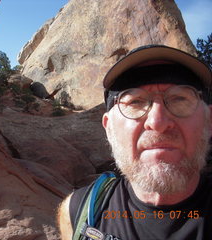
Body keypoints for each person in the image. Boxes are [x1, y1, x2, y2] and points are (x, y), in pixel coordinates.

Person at [57, 45, 212, 240]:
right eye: (135, 102)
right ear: (109, 128)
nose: (157, 123)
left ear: (209, 121)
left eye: (179, 99)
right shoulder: (77, 211)